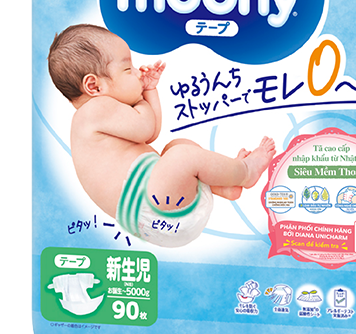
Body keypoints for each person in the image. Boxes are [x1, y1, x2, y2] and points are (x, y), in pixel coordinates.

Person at [48, 23, 275, 246]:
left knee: (175, 147)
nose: (138, 73)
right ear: (94, 86)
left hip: (154, 213)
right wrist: (141, 97)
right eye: (128, 69)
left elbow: (151, 134)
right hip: (152, 206)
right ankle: (245, 172)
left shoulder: (100, 117)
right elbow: (146, 128)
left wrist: (150, 91)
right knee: (181, 156)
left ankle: (223, 184)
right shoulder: (94, 110)